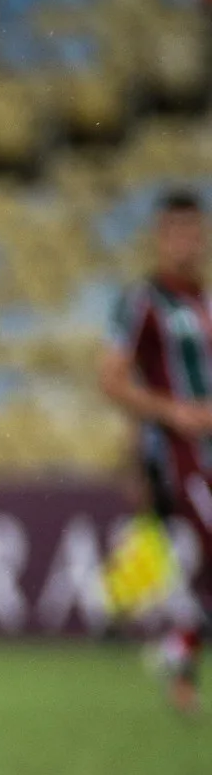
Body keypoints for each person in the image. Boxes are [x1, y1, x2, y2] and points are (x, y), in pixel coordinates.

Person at [98, 189, 212, 711]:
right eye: (175, 233)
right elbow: (112, 379)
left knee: (189, 557)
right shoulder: (143, 301)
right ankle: (168, 640)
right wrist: (175, 413)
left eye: (193, 232)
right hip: (179, 451)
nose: (185, 244)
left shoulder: (202, 301)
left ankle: (176, 650)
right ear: (160, 238)